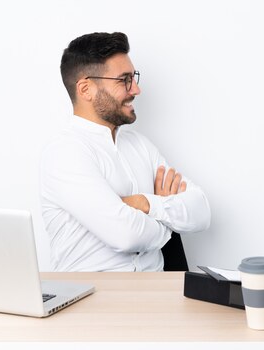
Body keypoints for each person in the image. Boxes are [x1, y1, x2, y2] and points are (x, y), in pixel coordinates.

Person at [40, 32, 211, 272]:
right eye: (124, 80)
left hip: (159, 294)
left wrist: (145, 203)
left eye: (134, 77)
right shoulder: (65, 153)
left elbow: (201, 211)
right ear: (86, 89)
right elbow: (126, 235)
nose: (136, 89)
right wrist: (169, 220)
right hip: (92, 298)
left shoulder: (140, 145)